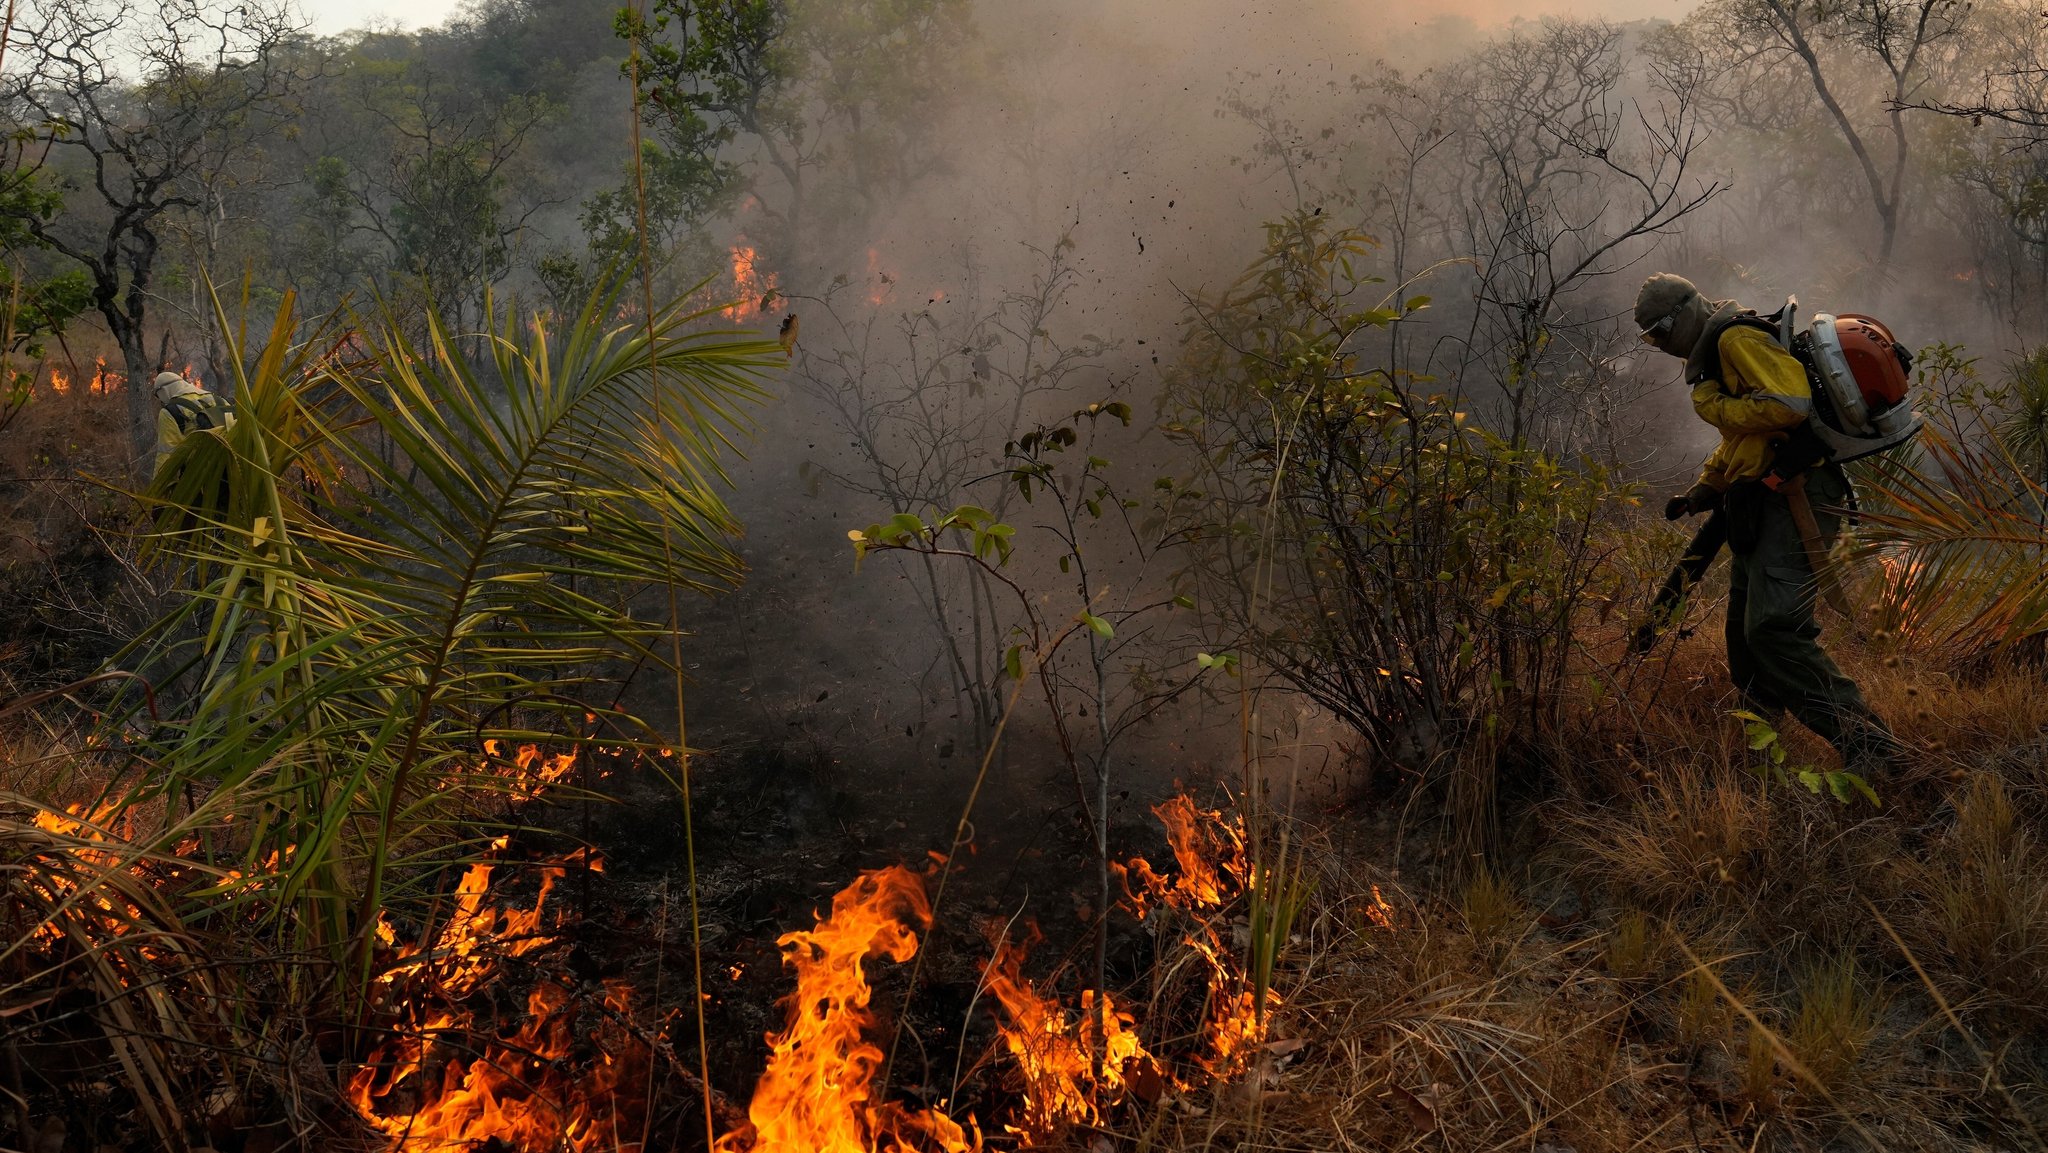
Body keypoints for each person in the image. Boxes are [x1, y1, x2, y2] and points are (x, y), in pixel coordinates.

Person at [1635, 273, 1900, 775]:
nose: (1661, 345)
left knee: (1773, 630)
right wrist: (1706, 488)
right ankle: (1761, 757)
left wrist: (1712, 403)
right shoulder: (1718, 352)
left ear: (1686, 312)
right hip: (1762, 499)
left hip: (1796, 496)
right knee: (1744, 635)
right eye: (1651, 339)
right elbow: (1747, 437)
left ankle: (1873, 749)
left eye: (1661, 331)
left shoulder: (1733, 339)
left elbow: (1788, 404)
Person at [152, 370, 233, 477]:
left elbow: (166, 455)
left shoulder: (169, 412)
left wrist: (158, 485)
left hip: (199, 478)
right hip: (233, 470)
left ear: (164, 391)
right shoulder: (219, 400)